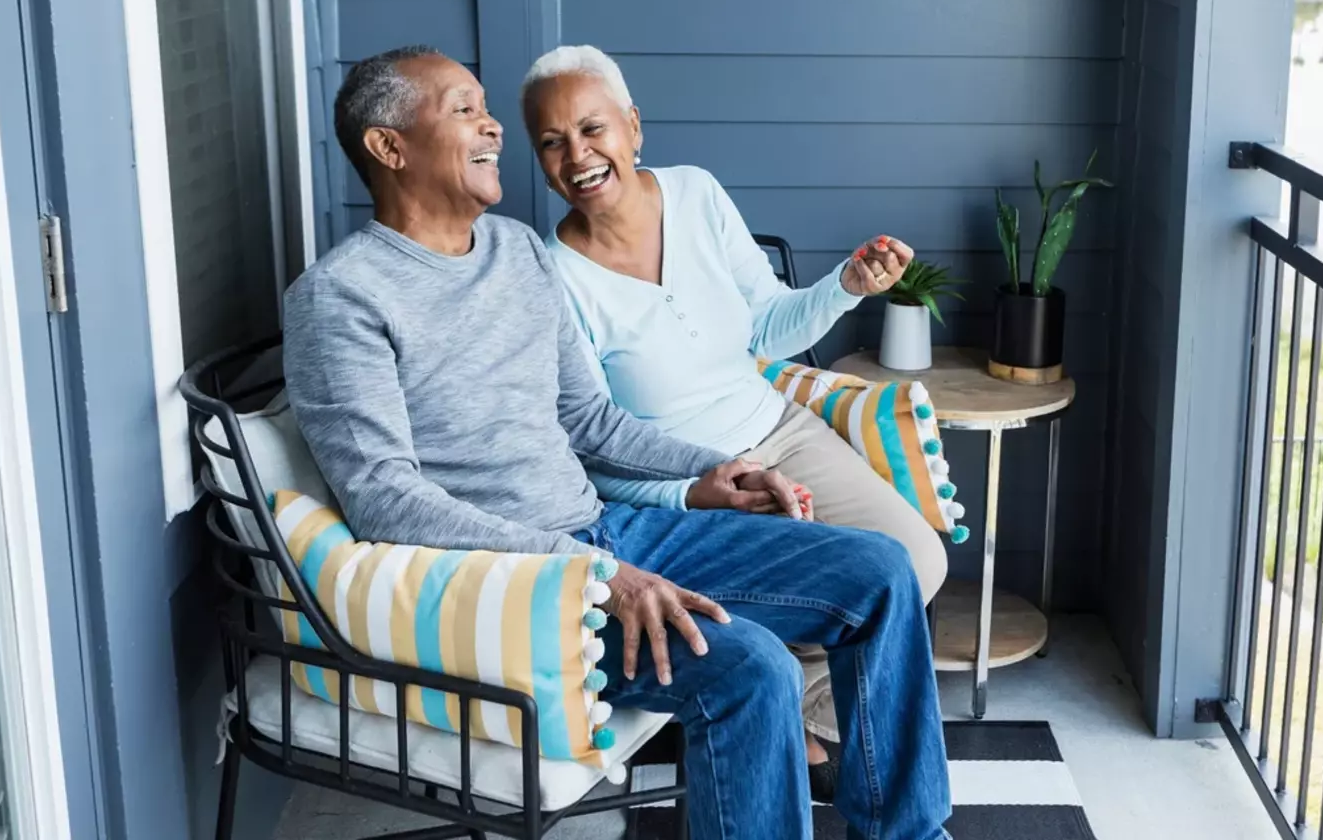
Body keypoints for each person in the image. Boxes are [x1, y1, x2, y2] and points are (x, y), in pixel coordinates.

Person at [282, 45, 952, 840]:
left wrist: (715, 468)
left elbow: (589, 422)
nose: (494, 125)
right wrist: (595, 574)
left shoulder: (517, 253)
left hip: (607, 537)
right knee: (753, 668)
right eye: (463, 109)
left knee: (878, 568)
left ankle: (907, 832)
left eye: (487, 107)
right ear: (389, 147)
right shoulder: (340, 298)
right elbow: (384, 500)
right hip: (516, 590)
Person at [517, 44, 950, 770]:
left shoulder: (695, 193)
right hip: (684, 493)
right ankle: (788, 714)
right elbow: (588, 444)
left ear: (633, 125)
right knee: (839, 590)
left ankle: (797, 700)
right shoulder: (551, 274)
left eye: (594, 129)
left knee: (919, 562)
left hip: (777, 427)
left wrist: (845, 284)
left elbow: (767, 328)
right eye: (552, 143)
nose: (578, 156)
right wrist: (697, 487)